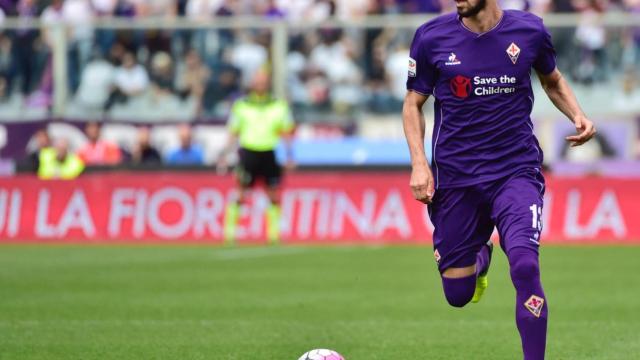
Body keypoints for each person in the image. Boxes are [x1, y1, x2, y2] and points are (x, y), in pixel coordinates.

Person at [402, 2, 596, 360]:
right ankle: (480, 257)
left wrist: (577, 114)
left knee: (524, 264)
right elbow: (413, 103)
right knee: (457, 294)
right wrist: (418, 163)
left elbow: (552, 80)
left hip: (515, 171)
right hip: (457, 178)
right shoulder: (431, 38)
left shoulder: (530, 31)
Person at [218, 69, 295, 245]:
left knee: (273, 194)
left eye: (263, 81)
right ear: (252, 84)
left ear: (268, 83)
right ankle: (230, 232)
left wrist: (290, 154)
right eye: (257, 81)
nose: (260, 84)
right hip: (248, 152)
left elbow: (286, 132)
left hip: (269, 152)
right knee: (241, 193)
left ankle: (273, 234)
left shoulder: (279, 105)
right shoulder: (241, 105)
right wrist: (225, 153)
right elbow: (233, 132)